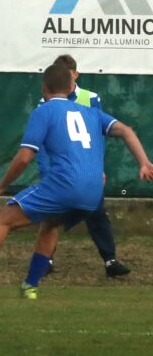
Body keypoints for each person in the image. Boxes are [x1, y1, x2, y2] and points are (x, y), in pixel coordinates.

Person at [0, 64, 153, 299]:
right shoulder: (91, 113)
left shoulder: (43, 111)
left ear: (44, 87)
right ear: (71, 87)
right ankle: (30, 286)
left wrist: (1, 186)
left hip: (65, 185)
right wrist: (144, 163)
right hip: (94, 192)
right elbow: (126, 130)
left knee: (3, 221)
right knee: (51, 224)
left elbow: (24, 157)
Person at [39, 54, 129, 277]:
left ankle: (110, 261)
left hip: (86, 171)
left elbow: (99, 136)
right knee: (52, 218)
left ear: (75, 75)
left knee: (97, 213)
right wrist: (46, 171)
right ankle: (45, 260)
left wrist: (98, 169)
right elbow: (41, 142)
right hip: (59, 171)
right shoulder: (46, 102)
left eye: (66, 76)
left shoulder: (90, 98)